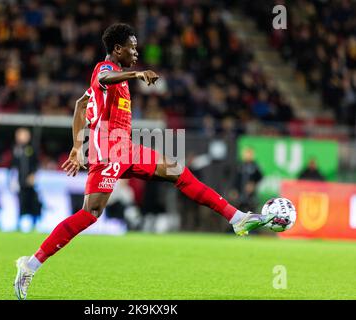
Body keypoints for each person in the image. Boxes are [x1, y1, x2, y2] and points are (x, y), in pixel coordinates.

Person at [14, 23, 284, 300]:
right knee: (91, 213)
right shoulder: (104, 70)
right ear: (117, 49)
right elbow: (104, 80)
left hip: (125, 147)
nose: (136, 51)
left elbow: (80, 105)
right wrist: (137, 74)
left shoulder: (111, 77)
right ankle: (30, 264)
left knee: (178, 171)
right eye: (131, 46)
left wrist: (75, 147)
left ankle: (237, 217)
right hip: (107, 150)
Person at [10, 127, 42, 231]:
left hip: (30, 182)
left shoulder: (32, 148)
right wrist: (13, 179)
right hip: (20, 182)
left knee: (33, 202)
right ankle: (18, 224)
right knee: (20, 202)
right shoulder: (15, 149)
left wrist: (33, 175)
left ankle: (34, 223)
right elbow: (13, 165)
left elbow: (36, 164)